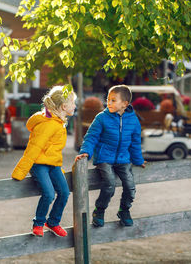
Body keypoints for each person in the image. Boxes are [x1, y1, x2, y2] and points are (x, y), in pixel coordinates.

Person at [75, 85, 145, 227]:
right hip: (105, 158)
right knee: (109, 184)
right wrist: (85, 152)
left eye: (113, 100)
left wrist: (138, 160)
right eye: (108, 99)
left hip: (123, 159)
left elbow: (135, 142)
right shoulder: (101, 118)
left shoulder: (133, 120)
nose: (109, 103)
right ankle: (99, 211)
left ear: (125, 104)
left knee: (130, 186)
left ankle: (124, 210)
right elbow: (91, 137)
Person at [11, 85, 76, 237]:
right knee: (48, 194)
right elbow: (33, 148)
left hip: (53, 165)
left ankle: (53, 222)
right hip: (39, 165)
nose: (75, 106)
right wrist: (20, 171)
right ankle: (39, 223)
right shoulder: (47, 124)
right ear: (64, 106)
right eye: (73, 103)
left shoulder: (59, 122)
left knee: (65, 192)